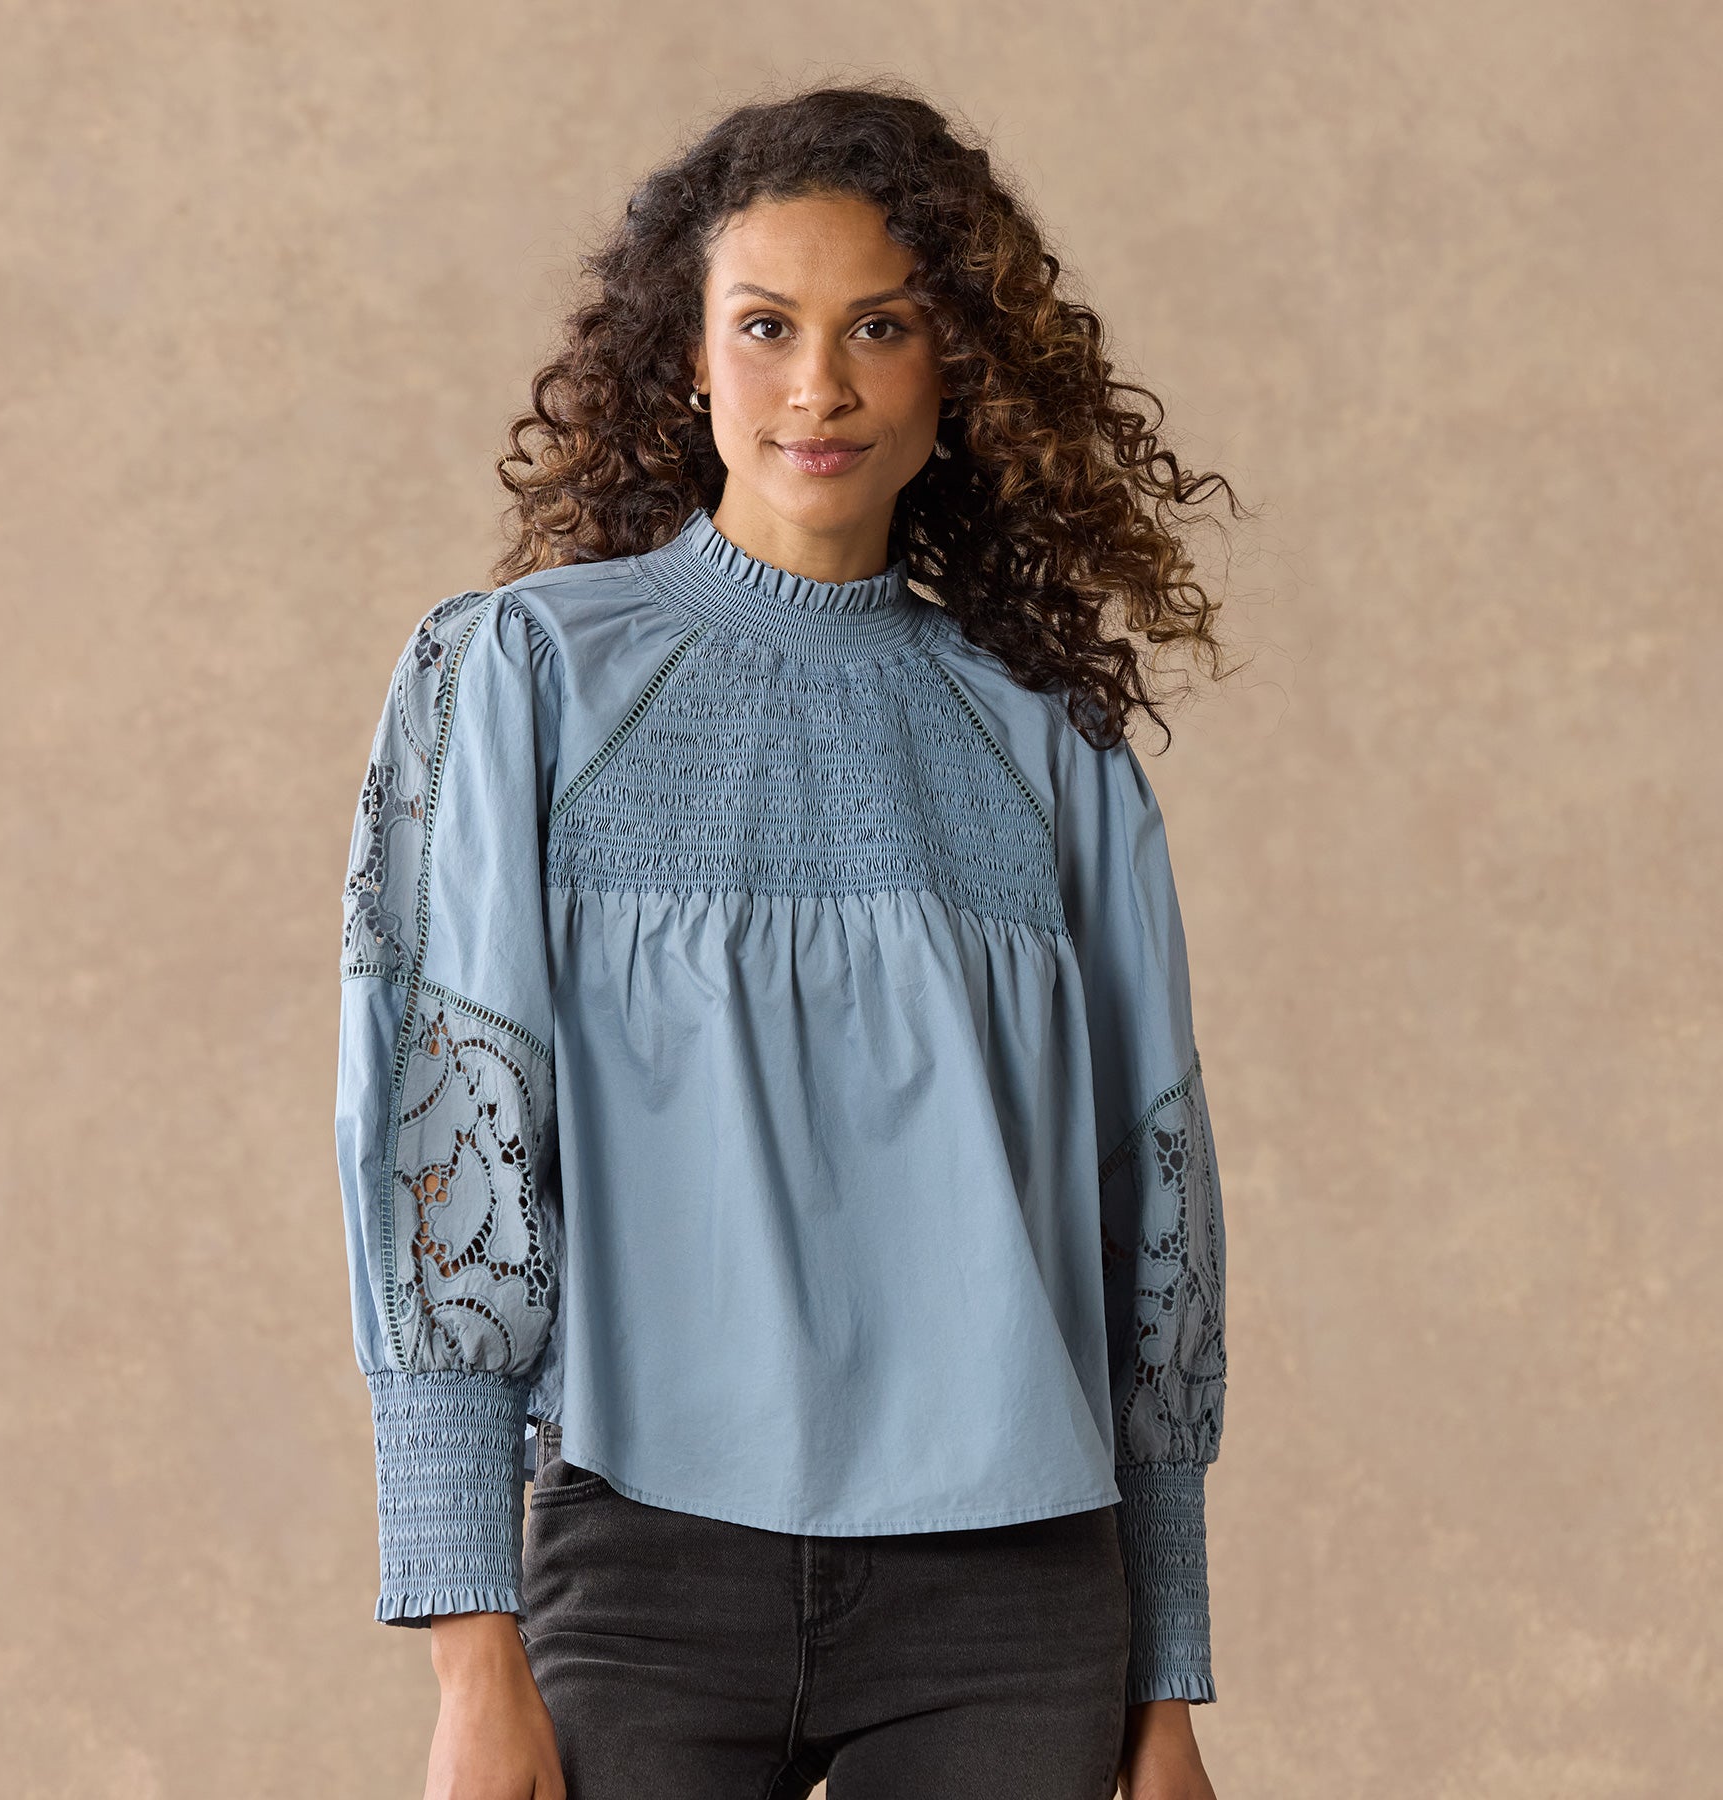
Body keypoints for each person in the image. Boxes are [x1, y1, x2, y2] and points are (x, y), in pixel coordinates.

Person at [335, 79, 1245, 1800]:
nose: (819, 386)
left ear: (956, 367)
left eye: (880, 327)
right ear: (688, 357)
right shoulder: (522, 676)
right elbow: (442, 1160)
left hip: (1016, 1599)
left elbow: (1159, 1218)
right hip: (643, 1564)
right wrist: (469, 1641)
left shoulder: (1053, 743)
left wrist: (1169, 1680)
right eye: (765, 327)